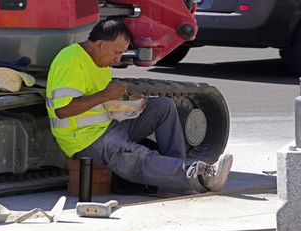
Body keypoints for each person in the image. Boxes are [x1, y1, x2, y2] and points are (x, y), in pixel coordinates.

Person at [46, 18, 233, 194]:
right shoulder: (70, 60)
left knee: (163, 106)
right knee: (135, 155)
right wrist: (107, 94)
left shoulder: (99, 60)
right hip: (84, 141)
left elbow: (101, 104)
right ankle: (197, 176)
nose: (118, 60)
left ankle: (175, 181)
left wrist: (130, 103)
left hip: (108, 127)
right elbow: (63, 110)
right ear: (100, 44)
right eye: (116, 53)